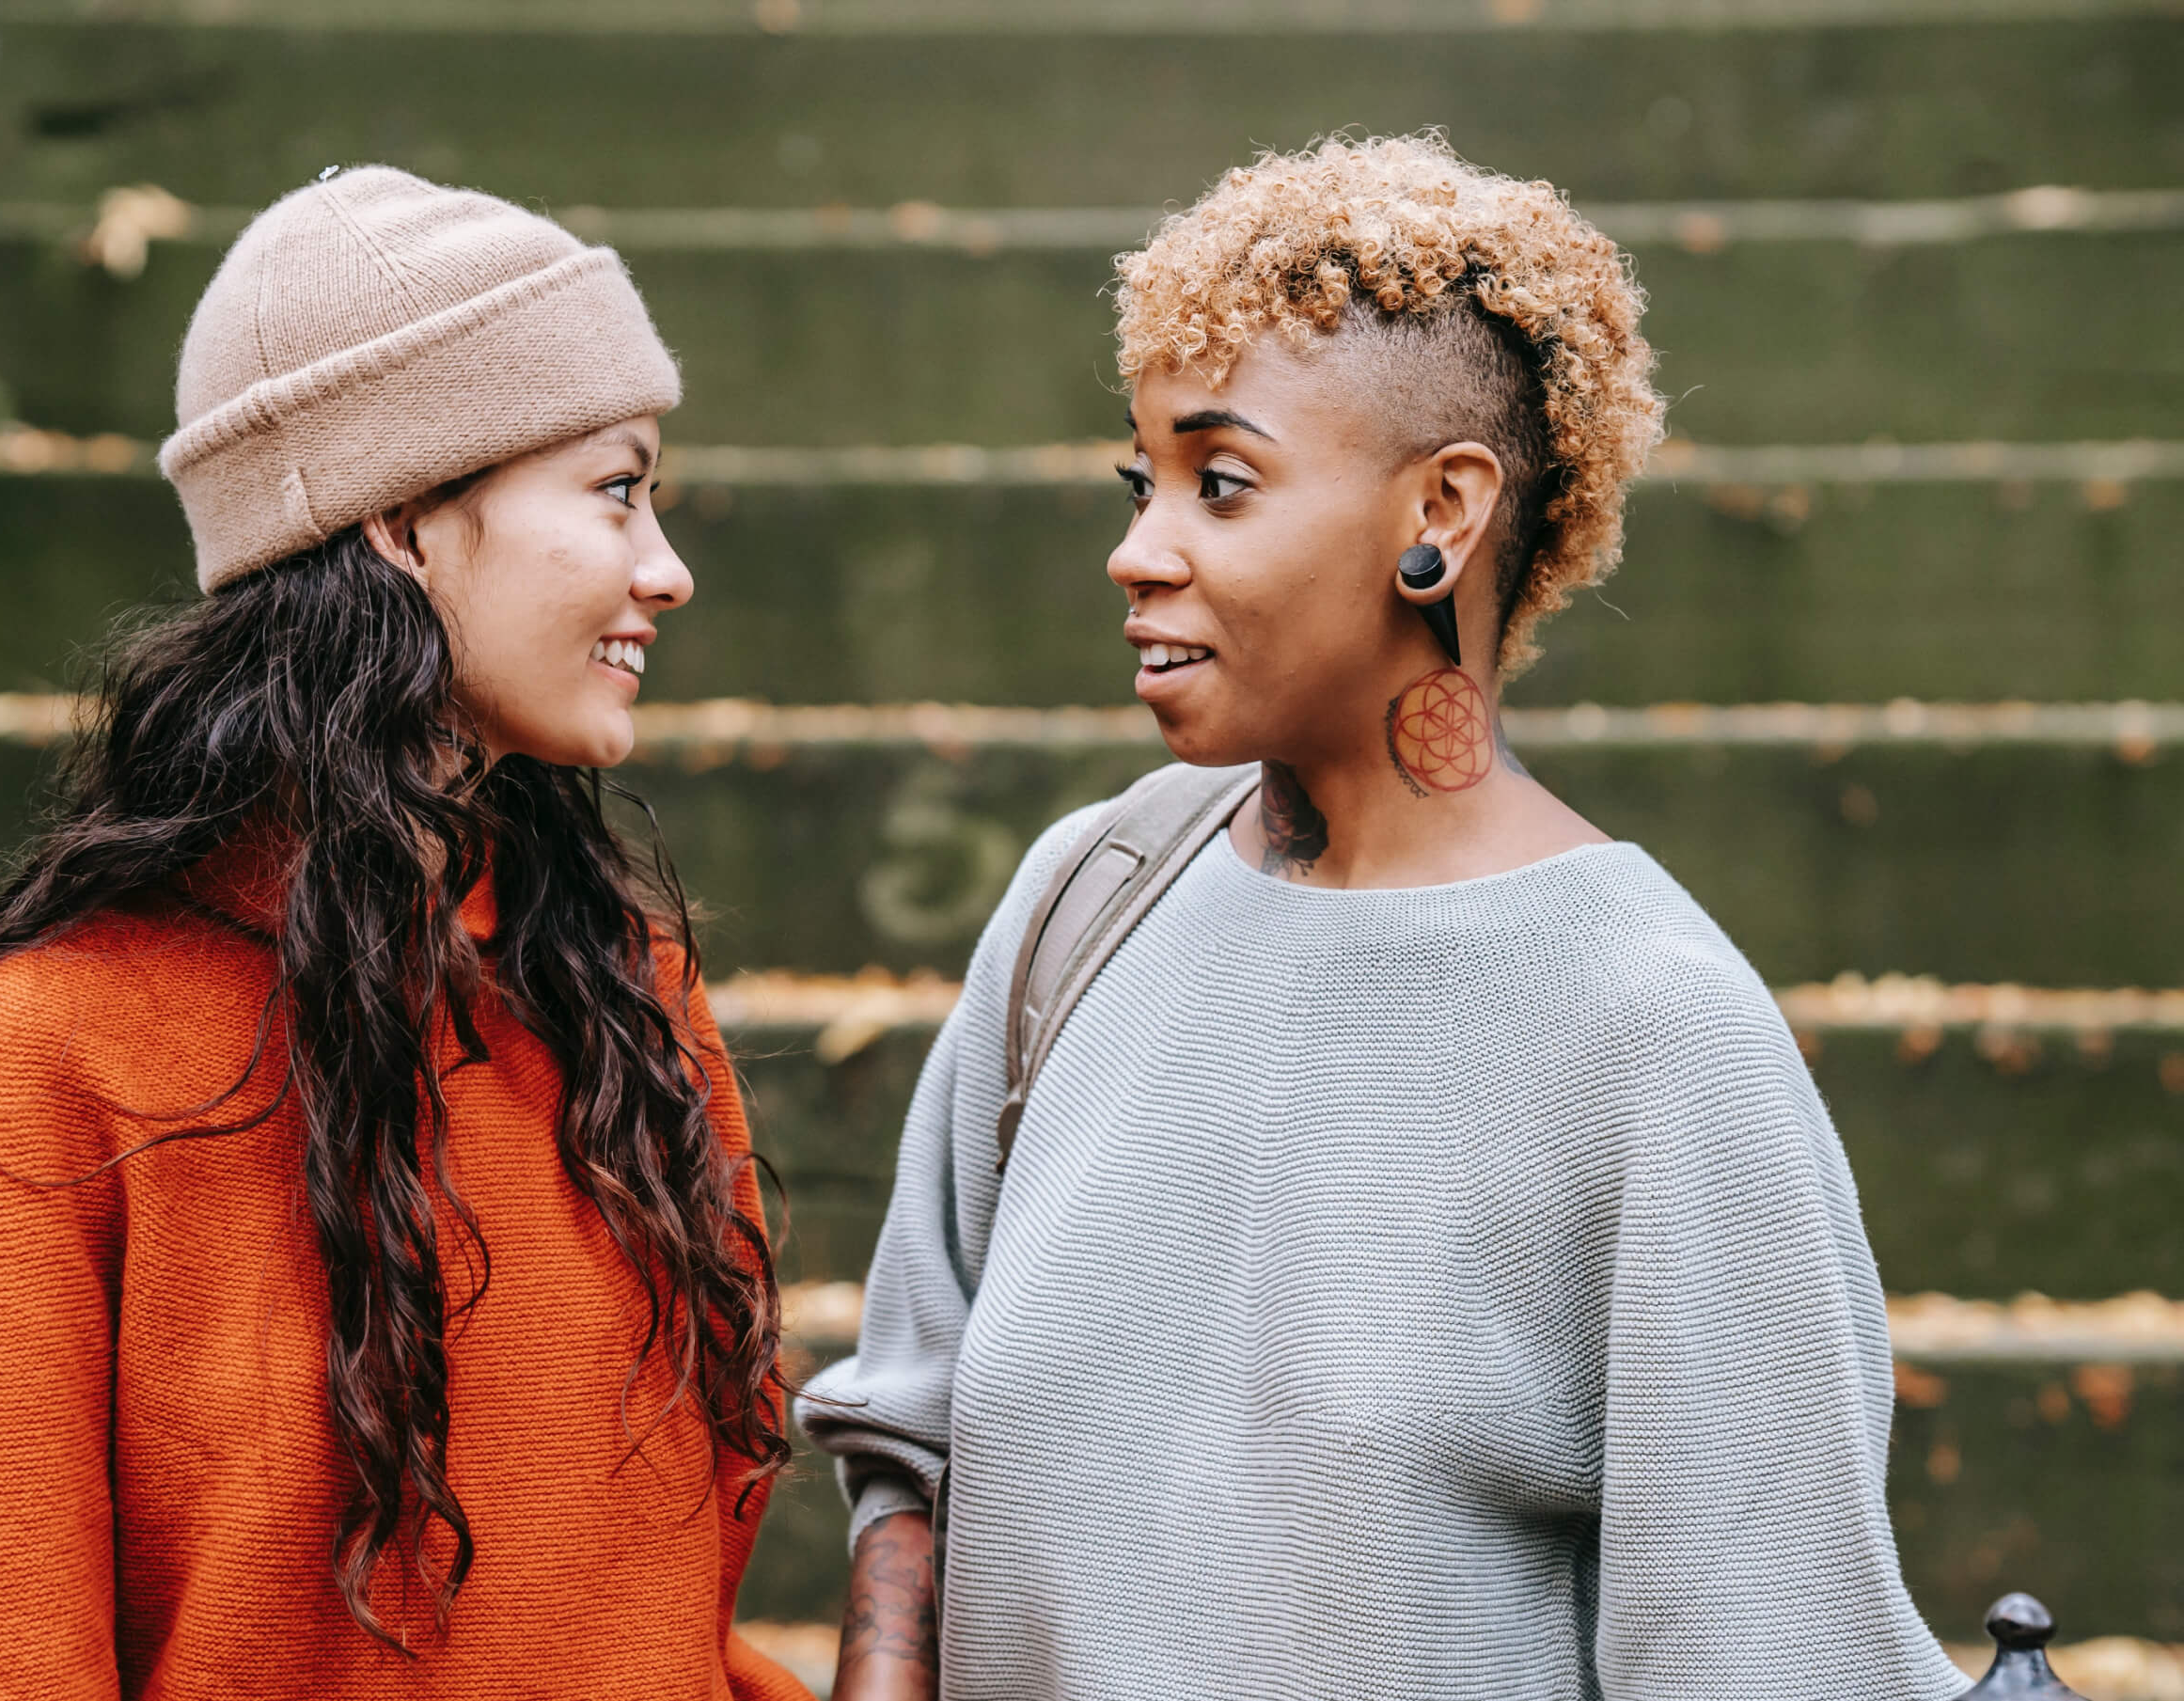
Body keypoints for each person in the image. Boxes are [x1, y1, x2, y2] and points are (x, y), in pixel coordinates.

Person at [800, 134, 1965, 1701]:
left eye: (1220, 483)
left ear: (1442, 509)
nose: (1138, 549)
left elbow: (1760, 1655)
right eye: (1140, 480)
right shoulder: (1087, 902)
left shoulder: (1657, 1036)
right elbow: (910, 1434)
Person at [0, 167, 810, 1700]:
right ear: (408, 522)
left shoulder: (626, 1001)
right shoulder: (49, 1061)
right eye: (617, 488)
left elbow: (650, 1621)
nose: (664, 566)